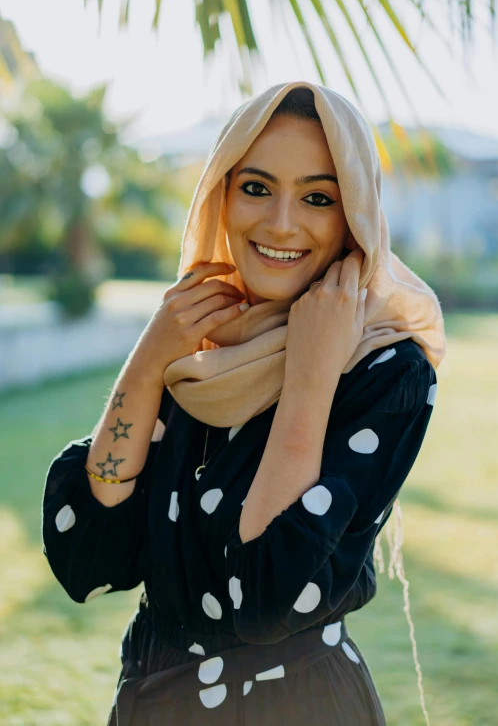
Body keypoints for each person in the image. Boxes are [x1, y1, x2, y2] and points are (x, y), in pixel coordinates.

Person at [42, 82, 446, 726]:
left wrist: (312, 372)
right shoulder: (197, 347)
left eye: (318, 198)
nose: (281, 223)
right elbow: (89, 557)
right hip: (153, 704)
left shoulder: (387, 368)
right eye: (256, 187)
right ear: (219, 197)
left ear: (355, 218)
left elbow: (265, 597)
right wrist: (149, 360)